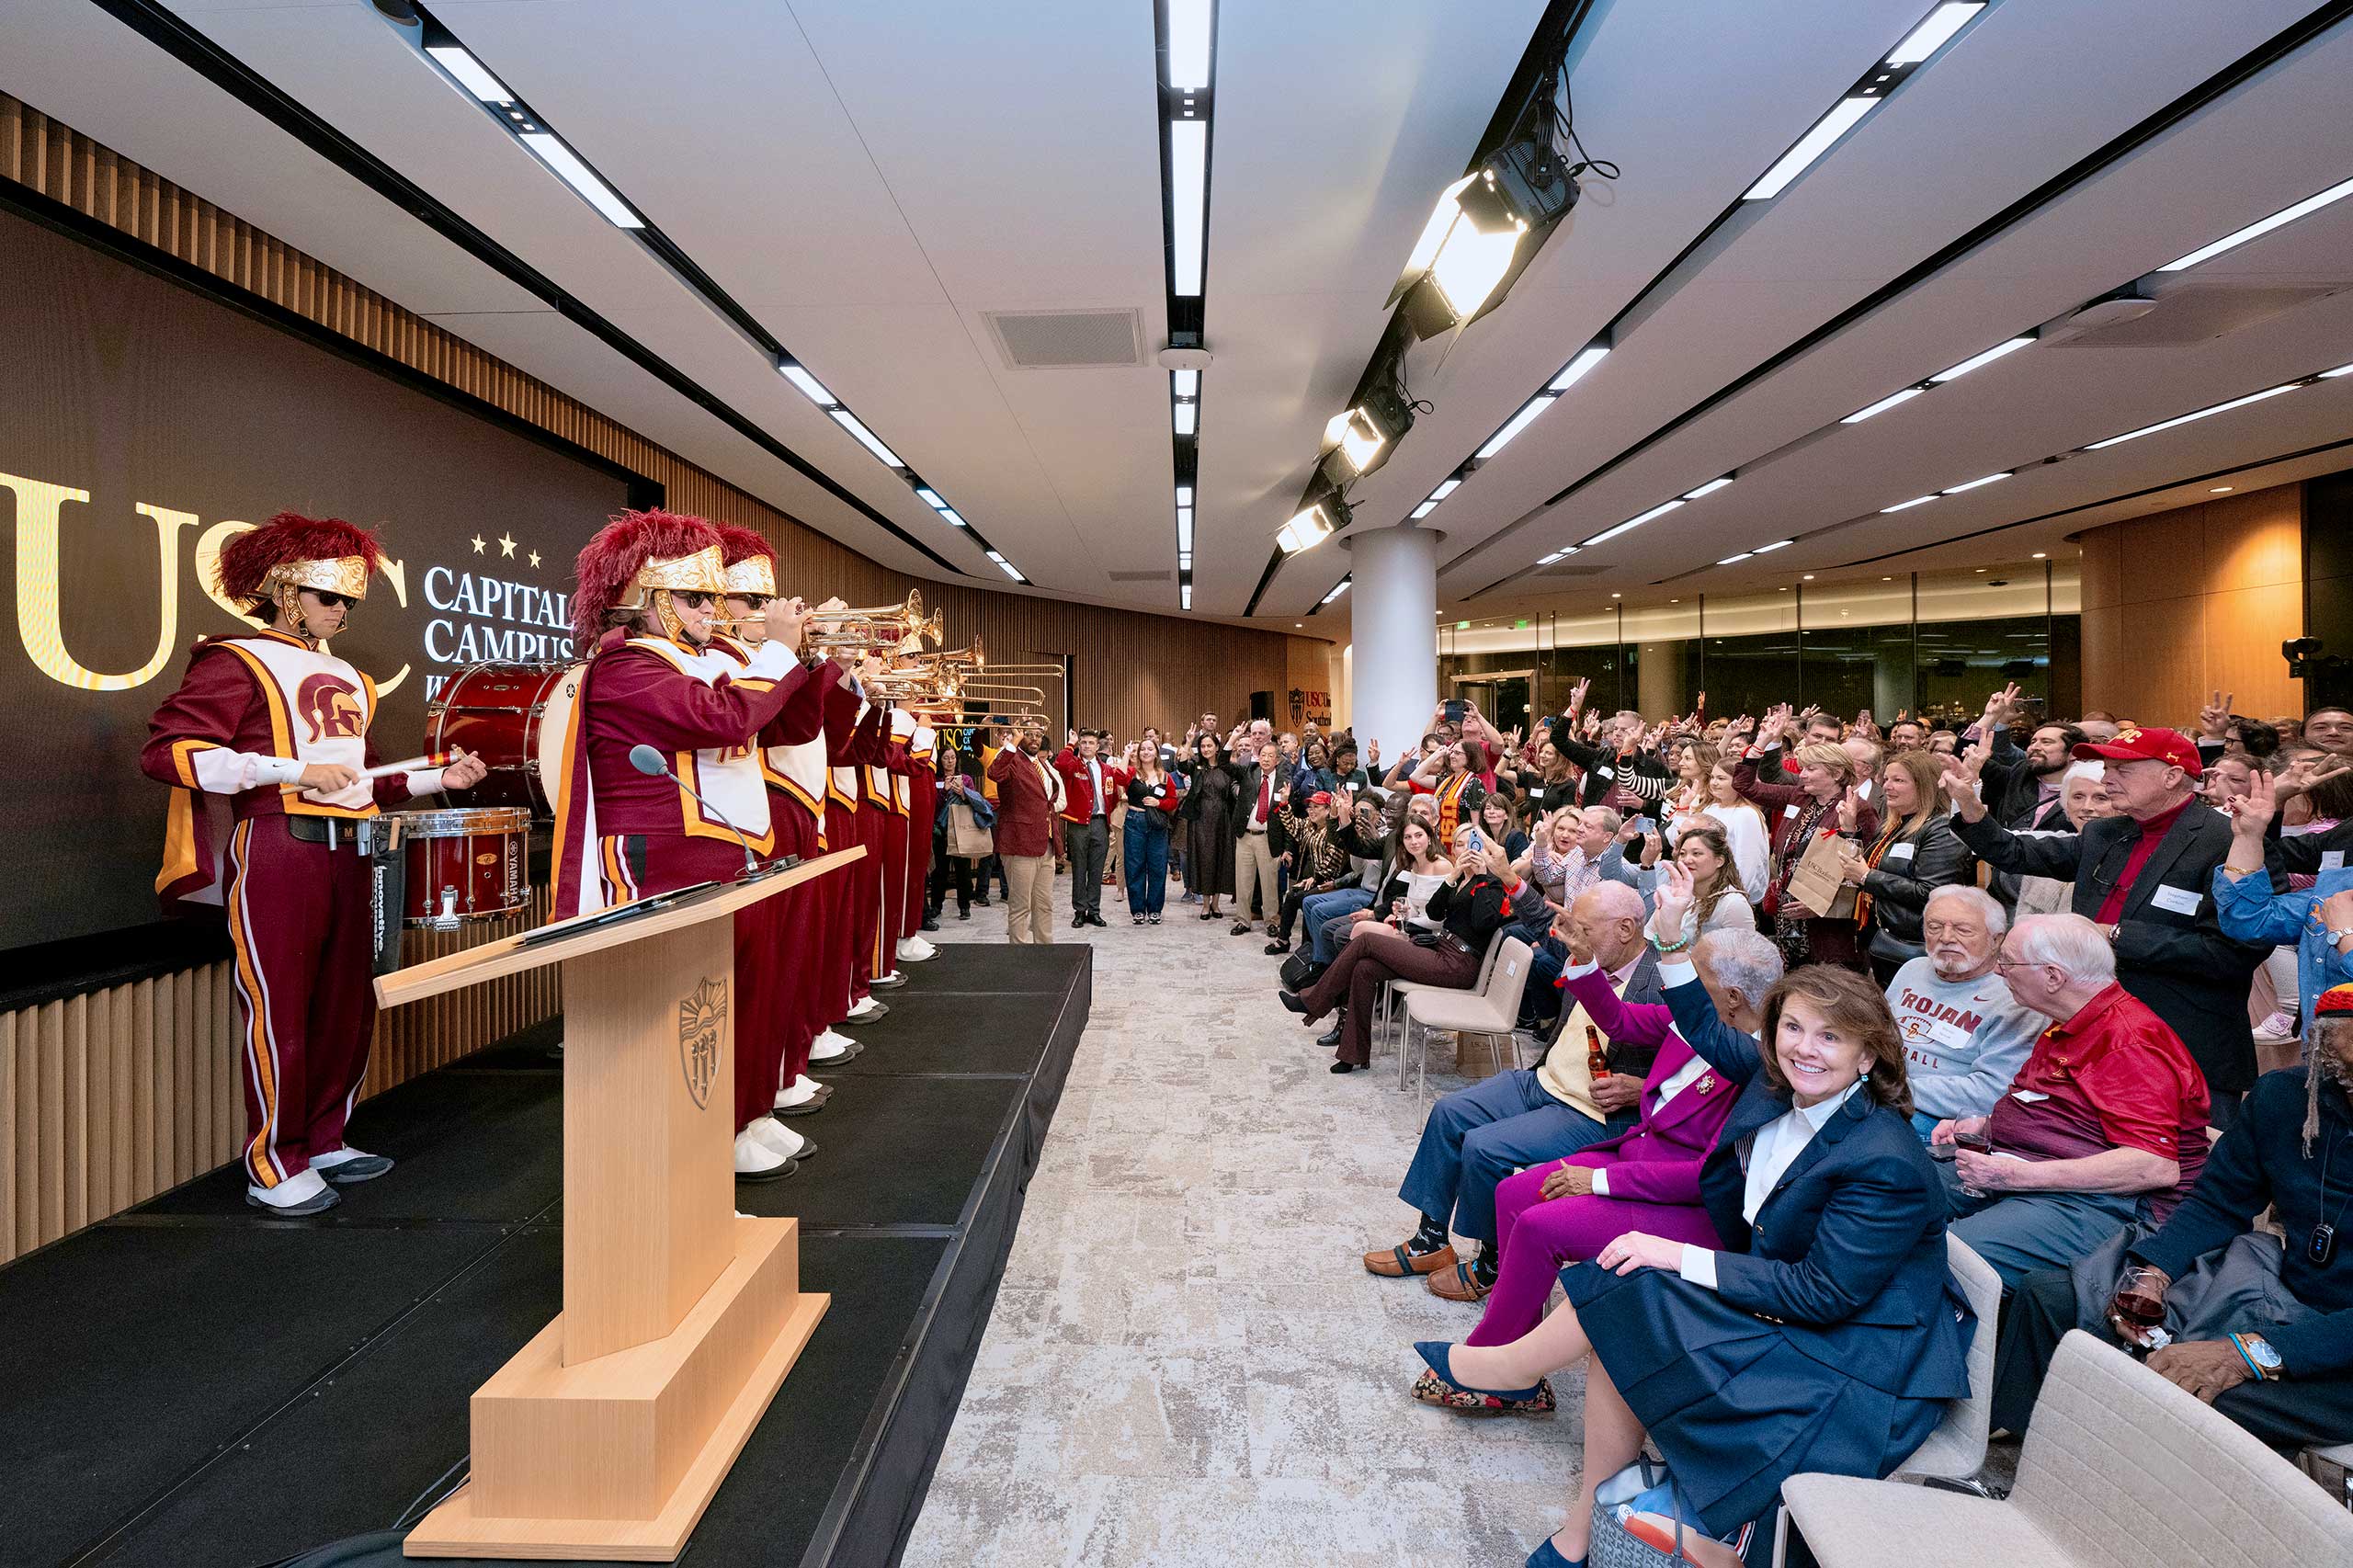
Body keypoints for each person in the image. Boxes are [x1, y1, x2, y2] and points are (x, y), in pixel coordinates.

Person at [1411, 955, 1970, 1568]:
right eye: (1793, 1028)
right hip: (1802, 1308)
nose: (1806, 1049)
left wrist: (1682, 1255)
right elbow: (1703, 1026)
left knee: (1634, 1294)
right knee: (1625, 1294)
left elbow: (1824, 1294)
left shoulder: (1884, 1161)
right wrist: (1673, 942)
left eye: (1830, 1036)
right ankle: (1574, 1519)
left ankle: (1514, 1381)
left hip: (1857, 1357)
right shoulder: (1780, 1085)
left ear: (1868, 1057)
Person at [145, 511, 489, 1214]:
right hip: (281, 843)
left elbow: (357, 781)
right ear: (284, 589)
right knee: (280, 1007)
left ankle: (327, 1136)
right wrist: (288, 769)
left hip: (352, 850)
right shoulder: (235, 659)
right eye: (329, 596)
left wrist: (434, 781)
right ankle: (273, 1159)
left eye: (349, 600)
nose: (341, 610)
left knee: (344, 1003)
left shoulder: (354, 680)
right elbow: (166, 753)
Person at [548, 509, 813, 1181]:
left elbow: (786, 727)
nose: (711, 611)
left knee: (740, 1003)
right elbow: (720, 717)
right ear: (649, 601)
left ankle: (742, 1117)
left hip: (727, 851)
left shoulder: (694, 660)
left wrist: (798, 656)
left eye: (712, 598)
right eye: (694, 599)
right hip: (665, 858)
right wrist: (776, 652)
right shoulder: (628, 667)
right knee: (688, 1020)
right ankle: (688, 1154)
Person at [1991, 983, 2353, 1450]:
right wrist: (2153, 1274)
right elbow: (2217, 1202)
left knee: (2207, 1401)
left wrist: (2244, 1354)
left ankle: (2140, 1509)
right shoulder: (2290, 1098)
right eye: (2343, 1072)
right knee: (2053, 1297)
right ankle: (2039, 1463)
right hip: (2286, 1298)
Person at [1462, 926, 1783, 1339]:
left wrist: (1597, 1181)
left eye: (1692, 971)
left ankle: (1499, 1367)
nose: (1675, 981)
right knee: (1512, 1193)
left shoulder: (1760, 1070)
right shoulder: (1700, 1020)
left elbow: (1705, 1176)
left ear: (1732, 997)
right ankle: (1514, 1330)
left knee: (1539, 1227)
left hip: (1685, 1205)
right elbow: (1621, 1020)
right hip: (1637, 1157)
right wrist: (1584, 962)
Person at [1942, 723, 2279, 1117]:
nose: (2107, 779)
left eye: (2123, 769)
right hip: (2092, 1035)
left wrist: (2117, 935)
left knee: (2186, 1167)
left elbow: (2236, 951)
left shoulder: (2233, 840)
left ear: (2171, 776)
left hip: (2184, 1041)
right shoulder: (2105, 833)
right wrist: (1969, 804)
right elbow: (2016, 852)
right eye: (2106, 768)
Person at [1364, 883, 1661, 1284]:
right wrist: (1512, 880)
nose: (1576, 939)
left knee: (1485, 1147)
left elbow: (1701, 1064)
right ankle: (1431, 1241)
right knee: (1450, 1113)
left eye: (1585, 930)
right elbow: (1543, 924)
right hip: (1543, 1082)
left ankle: (1493, 1263)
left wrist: (1643, 1088)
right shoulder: (1590, 955)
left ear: (1626, 928)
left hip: (1591, 1110)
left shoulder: (1662, 980)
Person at [1928, 913, 2210, 1289]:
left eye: (2008, 962)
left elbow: (2154, 1167)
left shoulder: (2128, 1043)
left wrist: (2018, 1176)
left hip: (2107, 1205)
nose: (1998, 971)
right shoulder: (2072, 1019)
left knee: (1952, 1257)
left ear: (2053, 976)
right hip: (2029, 1169)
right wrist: (1985, 1125)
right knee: (1884, 1192)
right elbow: (2052, 1105)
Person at [714, 524, 835, 1132]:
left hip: (781, 810)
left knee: (784, 961)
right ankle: (743, 1109)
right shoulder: (716, 656)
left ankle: (768, 1088)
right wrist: (784, 652)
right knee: (756, 973)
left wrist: (813, 658)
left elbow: (798, 728)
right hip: (746, 820)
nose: (763, 613)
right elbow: (744, 722)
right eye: (751, 602)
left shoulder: (758, 656)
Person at [1282, 830, 1521, 1074]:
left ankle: (1314, 1000)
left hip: (1458, 964)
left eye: (1472, 845)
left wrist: (1481, 877)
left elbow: (1483, 922)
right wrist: (1453, 876)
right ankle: (1352, 1053)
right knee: (1364, 968)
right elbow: (1436, 912)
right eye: (1459, 845)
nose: (1466, 850)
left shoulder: (1489, 883)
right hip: (1440, 949)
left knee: (1366, 941)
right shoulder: (1460, 880)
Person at [1884, 886, 2040, 1138]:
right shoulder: (1912, 969)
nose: (1946, 938)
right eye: (1934, 927)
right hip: (1881, 1092)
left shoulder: (2015, 997)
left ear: (1996, 939)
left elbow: (1992, 1090)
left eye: (1963, 930)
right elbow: (1877, 1034)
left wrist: (1895, 1089)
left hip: (1940, 1118)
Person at [1733, 711, 1878, 969]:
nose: (1802, 775)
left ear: (1835, 774)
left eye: (1811, 769)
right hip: (1788, 922)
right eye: (1803, 769)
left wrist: (1822, 905)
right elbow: (1745, 785)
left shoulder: (1859, 809)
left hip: (1829, 931)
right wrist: (1762, 742)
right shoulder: (1799, 797)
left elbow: (1863, 873)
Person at [2215, 769, 2353, 1028]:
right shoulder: (2340, 883)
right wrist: (2249, 837)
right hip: (2321, 1057)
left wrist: (2345, 935)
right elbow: (2249, 921)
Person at [1838, 749, 1973, 983]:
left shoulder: (1942, 830)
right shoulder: (1893, 824)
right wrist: (1850, 832)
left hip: (1912, 946)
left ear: (1925, 786)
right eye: (1887, 779)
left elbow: (1932, 892)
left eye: (1898, 780)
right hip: (1879, 939)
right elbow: (1866, 865)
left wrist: (1868, 878)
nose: (1888, 786)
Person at [987, 721, 1063, 944]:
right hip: (1020, 844)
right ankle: (1019, 957)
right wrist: (1012, 744)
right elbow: (994, 772)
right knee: (1020, 906)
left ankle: (1045, 950)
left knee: (1044, 904)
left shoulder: (1042, 764)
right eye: (1029, 734)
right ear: (1019, 737)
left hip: (1045, 844)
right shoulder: (1012, 759)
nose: (1035, 739)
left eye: (1038, 735)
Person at [2012, 760, 2115, 917]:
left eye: (2101, 798)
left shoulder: (2128, 856)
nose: (2086, 807)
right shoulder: (2051, 846)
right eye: (2078, 797)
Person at [1633, 819, 1753, 945]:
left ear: (1719, 861)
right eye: (1683, 854)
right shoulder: (1675, 892)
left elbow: (1744, 959)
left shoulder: (1733, 904)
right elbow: (1648, 934)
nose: (1687, 860)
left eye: (1696, 853)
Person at [1051, 729, 1122, 930]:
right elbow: (1060, 764)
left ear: (1098, 746)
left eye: (1091, 743)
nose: (1087, 746)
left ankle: (1094, 911)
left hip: (1100, 823)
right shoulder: (1074, 764)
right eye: (1083, 743)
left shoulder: (1106, 769)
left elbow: (1113, 795)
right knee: (1079, 870)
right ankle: (1079, 911)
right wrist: (1070, 744)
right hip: (1078, 824)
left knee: (1097, 870)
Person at [1267, 790, 1348, 953]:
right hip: (1308, 878)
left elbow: (1334, 859)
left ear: (1328, 810)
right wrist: (1284, 804)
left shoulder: (1333, 831)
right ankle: (1283, 940)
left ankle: (1308, 945)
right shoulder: (1308, 826)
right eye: (1309, 807)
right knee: (1291, 896)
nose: (1311, 810)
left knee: (1304, 899)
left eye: (1316, 807)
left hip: (1327, 880)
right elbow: (1291, 824)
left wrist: (1316, 876)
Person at [1232, 738, 1289, 937]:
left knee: (1270, 882)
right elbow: (1223, 764)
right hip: (1245, 836)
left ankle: (1272, 921)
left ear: (1277, 760)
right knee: (1243, 881)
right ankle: (1243, 920)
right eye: (1263, 755)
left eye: (1270, 756)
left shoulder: (1283, 782)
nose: (1265, 759)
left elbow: (1287, 816)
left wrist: (1286, 801)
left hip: (1268, 838)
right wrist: (1232, 739)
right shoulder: (1249, 772)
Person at [1176, 730, 1236, 919]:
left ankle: (1216, 904)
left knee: (1220, 858)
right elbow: (1181, 764)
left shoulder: (1226, 767)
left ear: (1217, 747)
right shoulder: (1196, 766)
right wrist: (1189, 742)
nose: (1206, 749)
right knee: (1204, 860)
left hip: (1222, 820)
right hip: (1200, 820)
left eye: (1210, 745)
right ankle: (1204, 904)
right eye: (1203, 746)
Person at [1120, 743, 1182, 925]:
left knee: (1158, 868)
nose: (1146, 752)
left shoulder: (1165, 777)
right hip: (1134, 823)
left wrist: (1158, 804)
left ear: (1156, 753)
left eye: (1150, 749)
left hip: (1157, 827)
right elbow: (1119, 777)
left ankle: (1155, 910)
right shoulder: (1132, 773)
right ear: (1138, 754)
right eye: (1143, 750)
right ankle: (1137, 910)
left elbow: (1173, 802)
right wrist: (1126, 755)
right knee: (1134, 867)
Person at [931, 748, 992, 923]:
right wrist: (944, 790)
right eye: (946, 758)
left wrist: (963, 793)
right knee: (939, 871)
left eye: (953, 758)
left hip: (961, 829)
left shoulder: (966, 779)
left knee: (963, 871)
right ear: (940, 761)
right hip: (941, 831)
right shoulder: (936, 780)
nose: (950, 761)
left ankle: (964, 907)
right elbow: (933, 804)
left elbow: (975, 802)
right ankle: (936, 905)